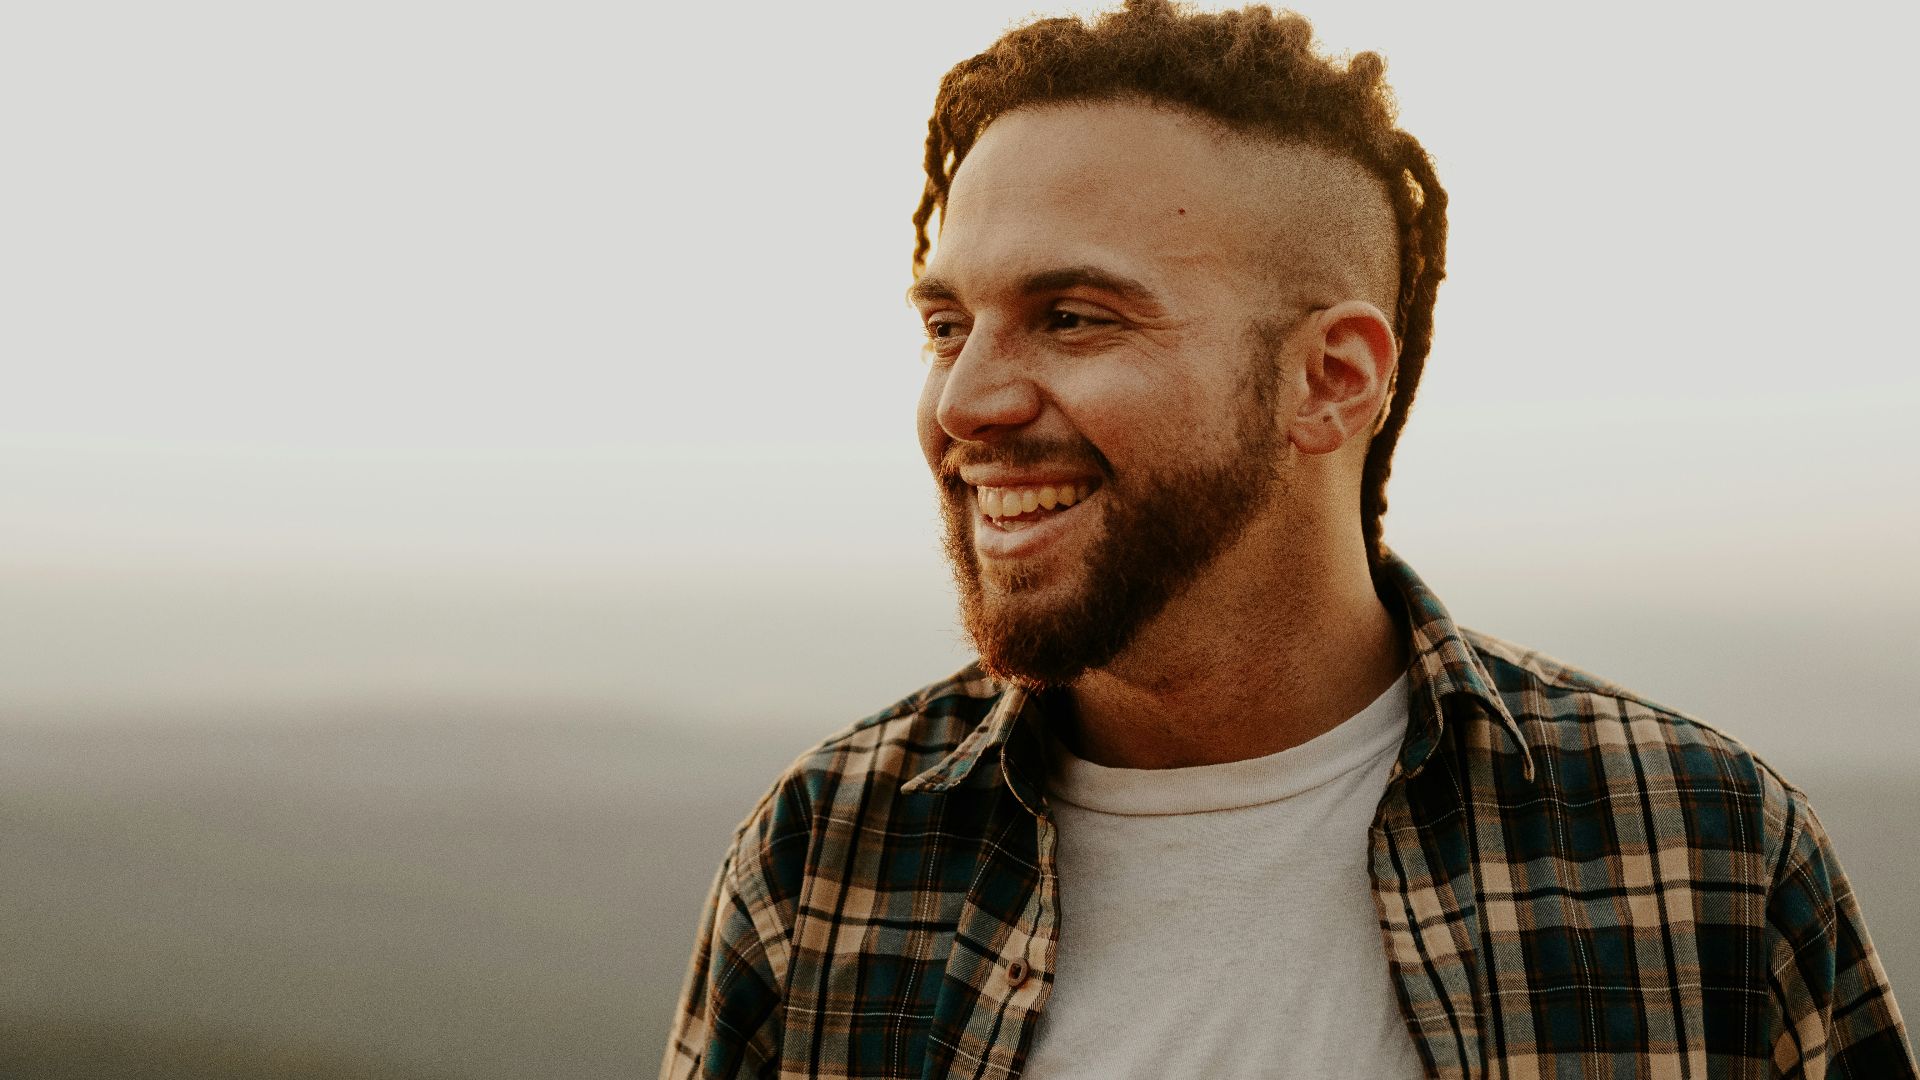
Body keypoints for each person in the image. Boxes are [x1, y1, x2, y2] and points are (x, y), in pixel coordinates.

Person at [660, 2, 1916, 1076]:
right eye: (947, 325)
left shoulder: (1696, 850)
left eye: (1076, 316)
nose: (966, 403)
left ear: (1331, 380)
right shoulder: (828, 858)